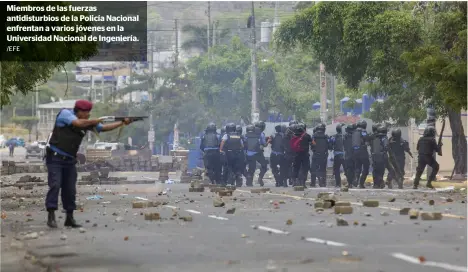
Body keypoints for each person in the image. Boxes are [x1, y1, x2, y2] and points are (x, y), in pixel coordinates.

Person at [45, 100, 133, 228]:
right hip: (55, 158)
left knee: (70, 189)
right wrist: (95, 120)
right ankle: (51, 215)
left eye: (89, 114)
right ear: (78, 111)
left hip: (70, 160)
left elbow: (103, 128)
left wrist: (122, 123)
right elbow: (77, 123)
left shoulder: (87, 122)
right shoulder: (65, 114)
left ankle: (69, 218)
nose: (87, 116)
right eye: (85, 113)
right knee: (55, 185)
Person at [245, 122, 268, 186]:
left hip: (249, 154)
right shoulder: (261, 134)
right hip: (258, 153)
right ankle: (260, 177)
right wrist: (268, 141)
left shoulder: (247, 134)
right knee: (264, 166)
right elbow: (264, 144)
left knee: (251, 168)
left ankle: (249, 182)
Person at [291, 123, 312, 187]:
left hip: (297, 154)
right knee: (305, 169)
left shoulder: (294, 136)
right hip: (305, 155)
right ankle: (303, 183)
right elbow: (313, 143)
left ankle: (294, 181)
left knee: (295, 168)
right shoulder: (307, 136)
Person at [352, 120, 370, 188]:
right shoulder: (363, 131)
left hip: (355, 152)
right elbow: (366, 139)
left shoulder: (354, 132)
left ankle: (356, 179)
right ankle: (361, 183)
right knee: (366, 167)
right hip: (363, 152)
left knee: (357, 167)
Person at [310, 123, 329, 187]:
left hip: (316, 155)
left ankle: (313, 183)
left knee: (313, 169)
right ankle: (323, 183)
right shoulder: (326, 136)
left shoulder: (314, 136)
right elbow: (329, 145)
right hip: (324, 155)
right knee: (323, 169)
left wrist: (315, 148)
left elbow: (312, 144)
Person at [329, 123, 345, 187]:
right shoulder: (344, 136)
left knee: (336, 170)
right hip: (344, 155)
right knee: (347, 169)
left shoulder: (333, 137)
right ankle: (350, 183)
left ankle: (338, 184)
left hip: (337, 155)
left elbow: (330, 146)